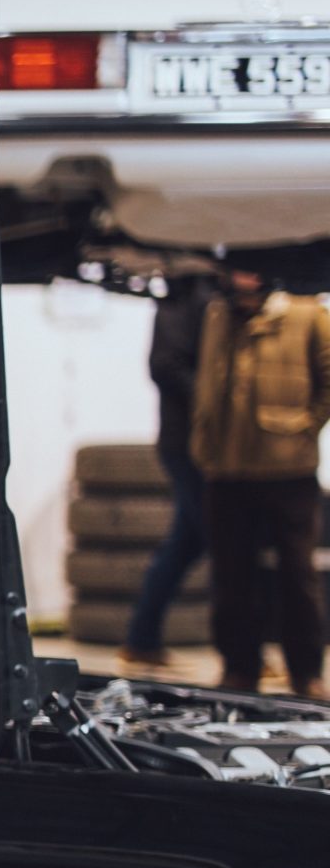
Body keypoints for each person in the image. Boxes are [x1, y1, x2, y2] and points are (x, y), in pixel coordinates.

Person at [191, 269, 330, 699]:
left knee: (297, 575)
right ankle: (239, 668)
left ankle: (306, 672)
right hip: (226, 470)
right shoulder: (217, 314)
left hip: (289, 470)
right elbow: (207, 385)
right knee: (232, 576)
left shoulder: (307, 313)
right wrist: (204, 442)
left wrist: (304, 427)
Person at [120, 275, 218, 670]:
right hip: (189, 444)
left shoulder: (209, 293)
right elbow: (164, 364)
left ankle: (141, 638)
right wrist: (214, 402)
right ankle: (244, 651)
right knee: (223, 544)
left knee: (187, 544)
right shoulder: (186, 295)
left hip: (200, 443)